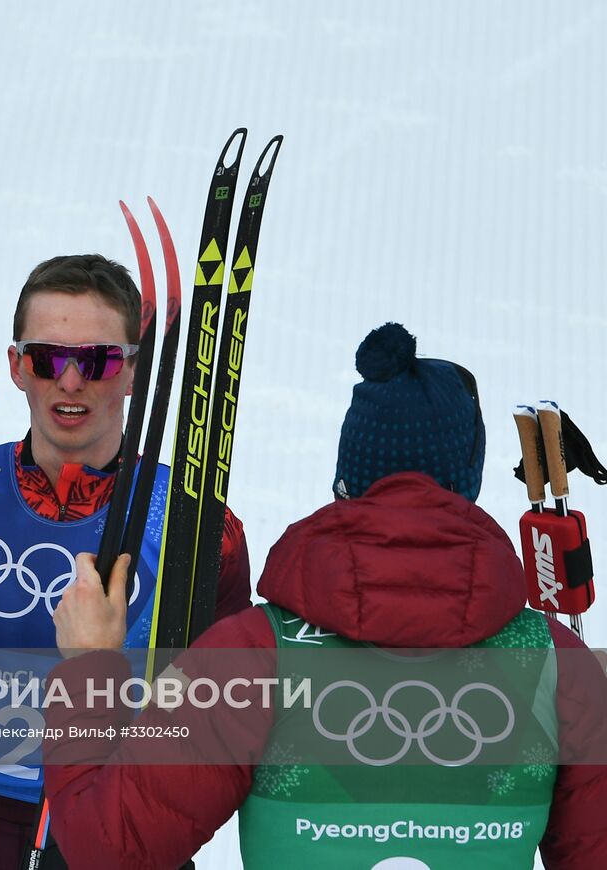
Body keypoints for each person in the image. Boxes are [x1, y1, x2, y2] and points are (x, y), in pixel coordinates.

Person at [45, 322, 607, 869]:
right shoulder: (560, 664)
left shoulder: (252, 654)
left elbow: (110, 848)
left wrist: (91, 668)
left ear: (347, 480)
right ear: (467, 484)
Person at [0, 253, 252, 868]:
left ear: (133, 371)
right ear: (16, 367)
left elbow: (232, 725)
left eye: (99, 360)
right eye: (46, 357)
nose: (71, 380)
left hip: (119, 831)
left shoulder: (197, 526)